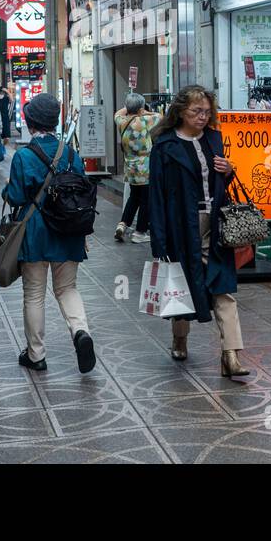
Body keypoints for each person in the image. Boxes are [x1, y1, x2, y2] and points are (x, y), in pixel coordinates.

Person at [148, 85, 250, 378]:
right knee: (179, 285)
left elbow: (220, 186)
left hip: (215, 225)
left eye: (207, 111)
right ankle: (179, 338)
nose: (203, 117)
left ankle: (231, 354)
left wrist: (228, 171)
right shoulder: (164, 146)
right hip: (181, 225)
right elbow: (156, 194)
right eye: (197, 111)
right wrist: (159, 239)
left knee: (223, 285)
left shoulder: (214, 140)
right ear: (181, 111)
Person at [4, 93, 96, 373]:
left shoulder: (23, 156)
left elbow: (17, 196)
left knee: (34, 294)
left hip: (35, 232)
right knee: (67, 288)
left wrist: (6, 191)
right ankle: (80, 332)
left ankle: (36, 355)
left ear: (30, 123)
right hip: (68, 229)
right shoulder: (70, 153)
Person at [114, 93, 161, 244]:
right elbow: (160, 116)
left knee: (134, 197)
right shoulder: (147, 120)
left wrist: (129, 107)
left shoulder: (122, 121)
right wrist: (143, 110)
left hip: (130, 166)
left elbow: (118, 113)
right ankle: (140, 232)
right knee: (146, 200)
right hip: (145, 167)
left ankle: (123, 224)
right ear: (141, 108)